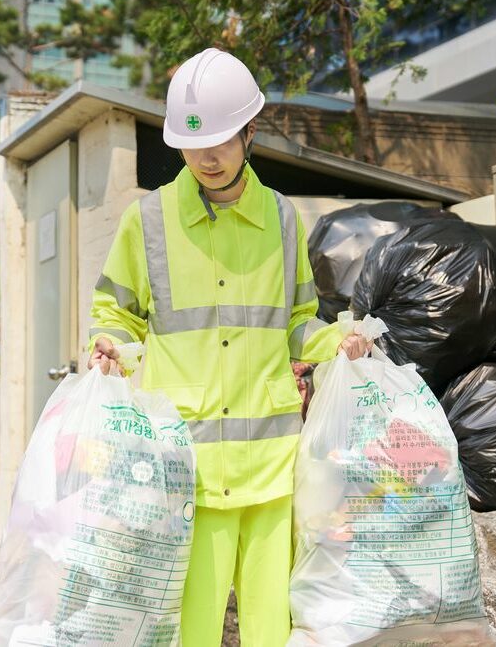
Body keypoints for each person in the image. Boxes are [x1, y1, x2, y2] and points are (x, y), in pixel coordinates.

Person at [87, 47, 372, 646]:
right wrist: (110, 344)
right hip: (188, 466)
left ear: (250, 131)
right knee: (191, 630)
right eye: (192, 145)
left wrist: (333, 342)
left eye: (219, 140)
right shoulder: (150, 221)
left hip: (270, 467)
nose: (206, 158)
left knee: (271, 627)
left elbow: (296, 321)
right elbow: (117, 313)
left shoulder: (281, 218)